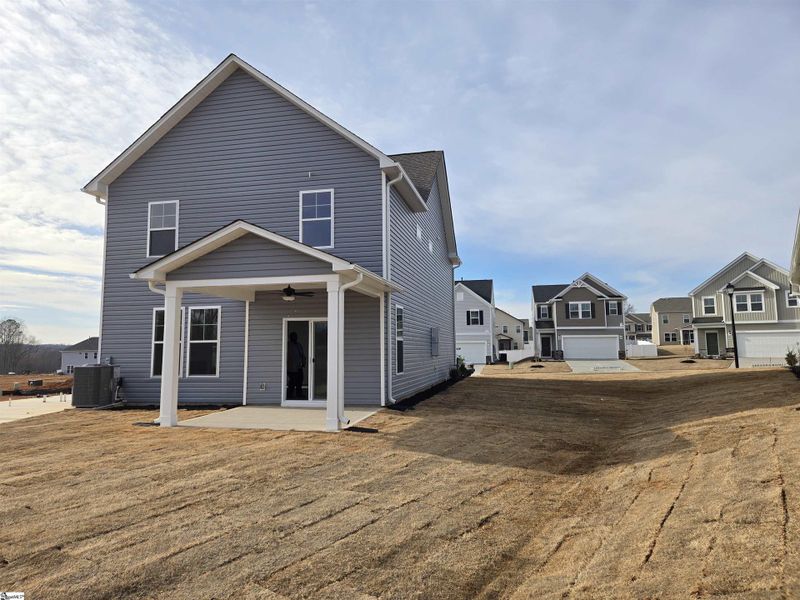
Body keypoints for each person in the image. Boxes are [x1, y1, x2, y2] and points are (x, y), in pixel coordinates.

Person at [286, 331, 306, 399]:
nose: (295, 338)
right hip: (291, 368)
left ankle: (299, 394)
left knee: (299, 381)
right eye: (293, 336)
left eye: (295, 336)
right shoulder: (288, 345)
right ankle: (289, 395)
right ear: (290, 337)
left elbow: (302, 354)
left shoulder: (299, 345)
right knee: (292, 382)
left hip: (299, 367)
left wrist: (303, 362)